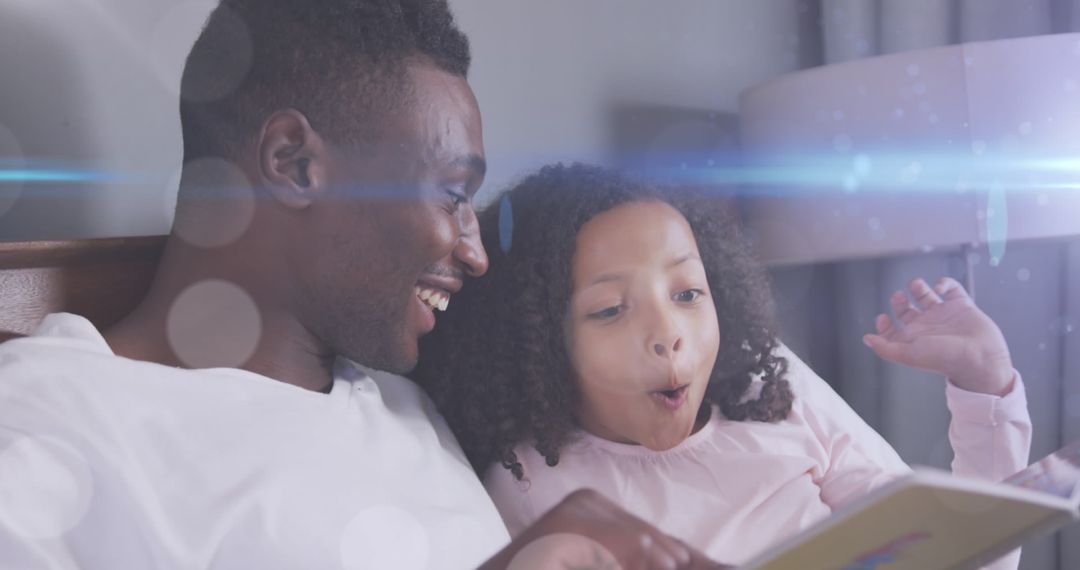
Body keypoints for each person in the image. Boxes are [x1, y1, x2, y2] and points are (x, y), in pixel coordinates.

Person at [0, 2, 725, 569]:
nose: (476, 253)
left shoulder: (404, 402)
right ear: (294, 163)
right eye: (452, 194)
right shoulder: (50, 428)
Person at [413, 163, 1032, 569]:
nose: (668, 336)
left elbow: (955, 551)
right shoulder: (530, 484)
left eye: (687, 293)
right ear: (540, 342)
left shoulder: (773, 394)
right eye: (610, 310)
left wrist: (983, 381)